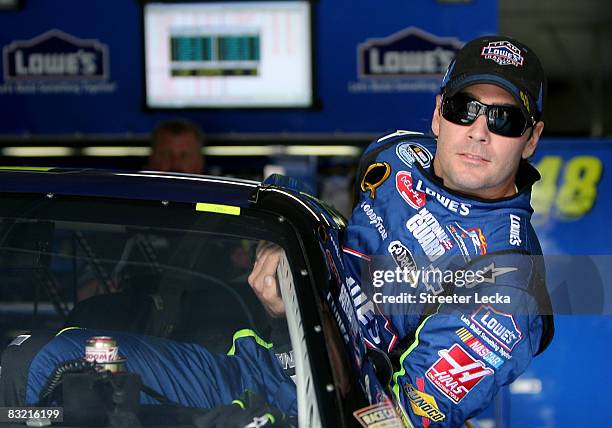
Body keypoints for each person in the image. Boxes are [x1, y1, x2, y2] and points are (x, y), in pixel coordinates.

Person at [249, 35, 554, 426]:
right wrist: (279, 240)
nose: (479, 131)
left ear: (531, 140)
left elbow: (397, 420)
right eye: (465, 108)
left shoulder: (511, 289)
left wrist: (303, 317)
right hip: (251, 355)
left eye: (504, 119)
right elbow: (327, 229)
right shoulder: (394, 154)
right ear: (438, 113)